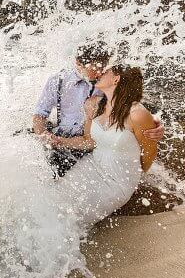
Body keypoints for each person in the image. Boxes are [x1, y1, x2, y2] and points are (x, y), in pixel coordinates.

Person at [52, 64, 160, 229]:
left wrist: (137, 177)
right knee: (53, 200)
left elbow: (150, 151)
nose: (101, 72)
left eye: (106, 71)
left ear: (116, 79)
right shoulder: (92, 104)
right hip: (91, 167)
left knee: (69, 219)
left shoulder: (137, 114)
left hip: (118, 182)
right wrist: (58, 140)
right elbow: (89, 140)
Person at [33, 44, 164, 178]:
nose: (100, 71)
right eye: (96, 67)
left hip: (93, 144)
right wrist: (43, 135)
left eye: (103, 66)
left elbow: (130, 104)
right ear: (78, 64)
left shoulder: (106, 82)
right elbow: (39, 114)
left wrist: (152, 122)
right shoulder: (57, 80)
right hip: (64, 138)